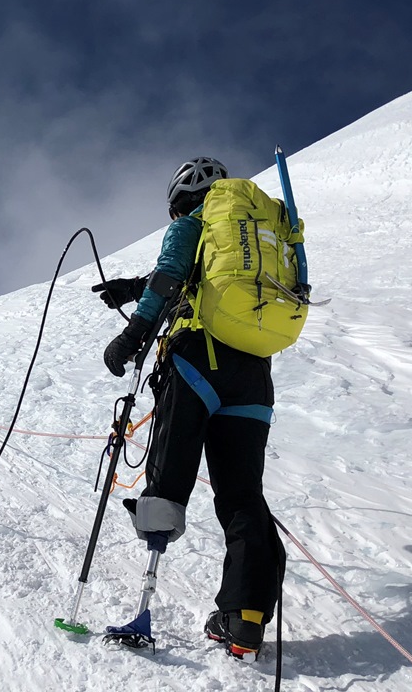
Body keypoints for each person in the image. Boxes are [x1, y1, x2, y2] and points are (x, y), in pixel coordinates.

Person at [95, 157, 286, 661]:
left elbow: (172, 275)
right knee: (243, 496)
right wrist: (128, 286)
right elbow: (196, 279)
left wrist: (133, 333)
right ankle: (244, 619)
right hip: (254, 376)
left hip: (197, 360)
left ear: (181, 198)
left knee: (169, 478)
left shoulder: (188, 224)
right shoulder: (254, 234)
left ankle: (143, 605)